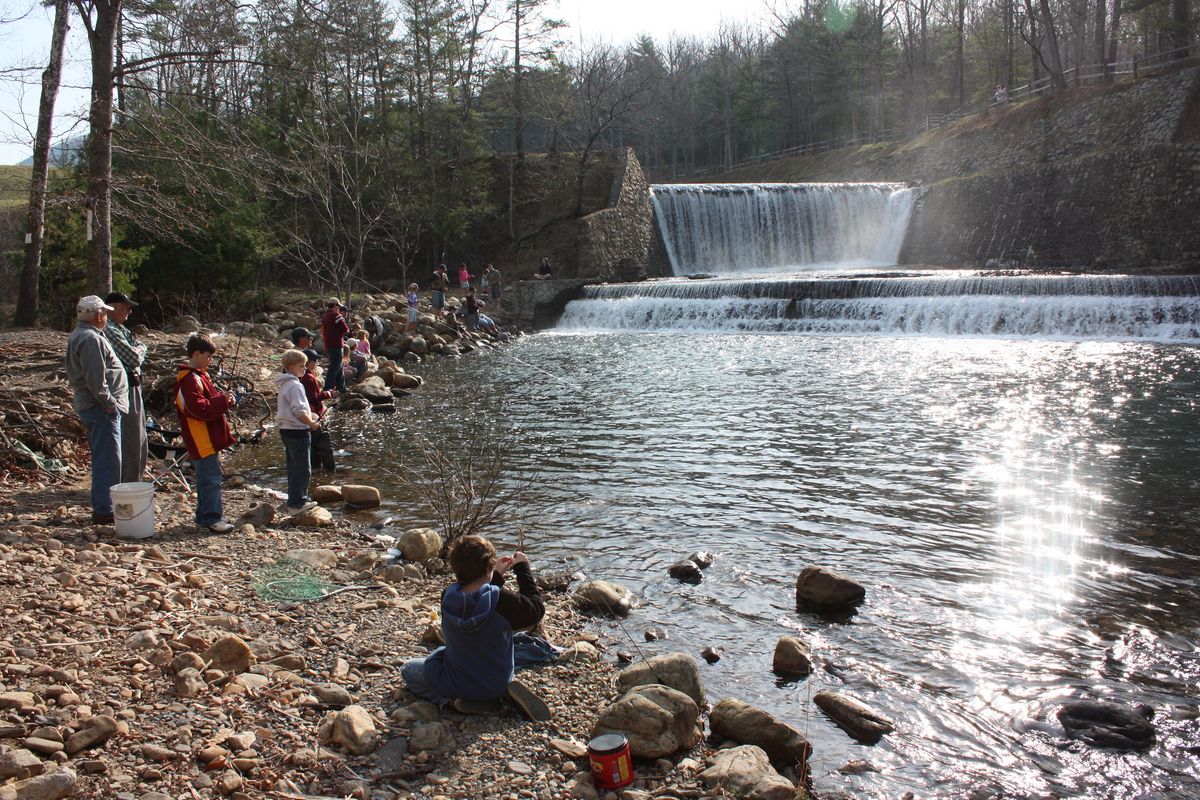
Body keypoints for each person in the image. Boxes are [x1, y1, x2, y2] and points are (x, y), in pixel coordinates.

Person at [401, 535, 551, 721]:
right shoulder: (501, 601)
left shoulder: (448, 596)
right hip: (498, 682)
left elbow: (477, 599)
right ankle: (496, 697)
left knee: (408, 669)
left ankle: (449, 701)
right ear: (489, 566)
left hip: (456, 682)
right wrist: (522, 568)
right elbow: (536, 610)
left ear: (455, 567)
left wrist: (495, 576)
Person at [66, 295, 130, 525]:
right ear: (97, 315)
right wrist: (110, 404)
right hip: (100, 408)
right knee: (108, 460)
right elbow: (96, 379)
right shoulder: (90, 338)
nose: (106, 316)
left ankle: (104, 508)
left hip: (96, 407)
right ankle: (104, 510)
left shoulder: (83, 335)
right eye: (104, 312)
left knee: (105, 458)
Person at [174, 334, 235, 534]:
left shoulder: (199, 376)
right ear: (197, 354)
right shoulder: (189, 379)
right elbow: (197, 409)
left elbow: (209, 400)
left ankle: (204, 515)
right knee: (211, 478)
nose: (210, 360)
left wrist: (224, 399)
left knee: (207, 477)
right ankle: (211, 518)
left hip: (205, 437)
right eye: (208, 356)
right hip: (200, 437)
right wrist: (222, 402)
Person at [100, 291, 149, 485]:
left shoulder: (121, 329)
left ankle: (131, 482)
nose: (129, 312)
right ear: (115, 308)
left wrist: (140, 348)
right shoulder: (110, 330)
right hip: (124, 388)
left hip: (133, 386)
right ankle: (127, 486)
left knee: (140, 439)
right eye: (127, 307)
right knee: (131, 440)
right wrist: (141, 349)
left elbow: (139, 347)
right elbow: (134, 357)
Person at [275, 349, 321, 513]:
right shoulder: (295, 385)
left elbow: (293, 409)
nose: (305, 369)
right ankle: (297, 503)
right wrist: (311, 423)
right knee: (302, 468)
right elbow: (298, 410)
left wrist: (310, 414)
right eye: (302, 366)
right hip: (298, 431)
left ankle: (293, 499)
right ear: (291, 366)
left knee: (293, 466)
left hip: (286, 429)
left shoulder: (285, 384)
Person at [301, 348, 337, 472]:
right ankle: (328, 470)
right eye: (315, 361)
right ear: (308, 362)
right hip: (315, 414)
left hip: (307, 414)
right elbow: (314, 398)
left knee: (312, 445)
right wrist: (328, 394)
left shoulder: (299, 376)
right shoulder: (309, 378)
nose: (316, 363)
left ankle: (314, 468)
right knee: (322, 443)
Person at [321, 297, 350, 393]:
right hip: (336, 344)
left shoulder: (325, 316)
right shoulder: (336, 315)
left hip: (328, 344)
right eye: (338, 306)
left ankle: (341, 386)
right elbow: (345, 329)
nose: (339, 308)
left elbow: (323, 330)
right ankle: (328, 387)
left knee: (339, 365)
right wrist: (340, 336)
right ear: (335, 305)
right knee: (335, 366)